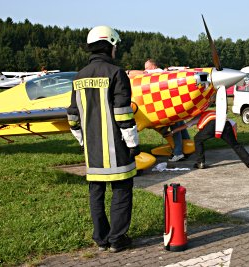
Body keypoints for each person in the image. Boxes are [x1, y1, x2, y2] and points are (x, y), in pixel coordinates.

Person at [67, 25, 140, 252]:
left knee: (96, 192)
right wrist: (132, 142)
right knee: (121, 190)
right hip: (117, 147)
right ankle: (117, 239)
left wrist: (82, 141)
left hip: (93, 150)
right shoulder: (116, 73)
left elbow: (72, 116)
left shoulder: (78, 77)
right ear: (109, 46)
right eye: (115, 46)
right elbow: (123, 113)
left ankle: (101, 238)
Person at [165, 110, 249, 170]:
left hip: (212, 124)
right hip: (225, 124)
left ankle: (200, 163)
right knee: (235, 145)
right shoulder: (212, 111)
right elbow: (233, 123)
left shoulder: (199, 116)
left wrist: (172, 132)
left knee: (197, 139)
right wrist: (234, 138)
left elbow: (184, 126)